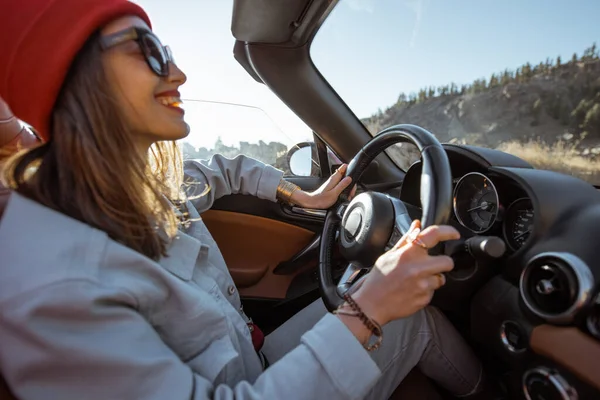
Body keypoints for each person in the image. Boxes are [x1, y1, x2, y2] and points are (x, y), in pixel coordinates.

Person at [0, 1, 488, 399]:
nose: (179, 72)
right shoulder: (52, 288)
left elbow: (224, 169)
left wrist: (304, 194)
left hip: (251, 364)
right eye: (146, 49)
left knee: (403, 310)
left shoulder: (135, 182)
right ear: (68, 75)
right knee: (405, 314)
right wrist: (365, 311)